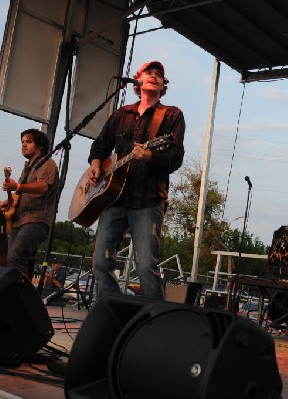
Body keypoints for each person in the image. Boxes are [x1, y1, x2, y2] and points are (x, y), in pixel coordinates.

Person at [86, 60, 185, 300]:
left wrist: (150, 155)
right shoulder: (122, 114)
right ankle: (110, 314)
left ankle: (155, 323)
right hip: (113, 199)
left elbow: (175, 157)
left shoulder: (171, 114)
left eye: (158, 75)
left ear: (163, 85)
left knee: (145, 267)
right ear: (137, 80)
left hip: (148, 200)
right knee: (100, 262)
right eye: (148, 73)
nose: (154, 76)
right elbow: (100, 146)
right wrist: (95, 164)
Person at [0, 128, 59, 279]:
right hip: (19, 220)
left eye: (29, 142)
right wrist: (9, 201)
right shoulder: (26, 168)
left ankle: (19, 298)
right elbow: (21, 194)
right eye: (22, 142)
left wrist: (16, 186)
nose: (24, 145)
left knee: (15, 256)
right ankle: (16, 295)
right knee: (13, 260)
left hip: (37, 220)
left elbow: (43, 186)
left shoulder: (47, 163)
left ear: (39, 146)